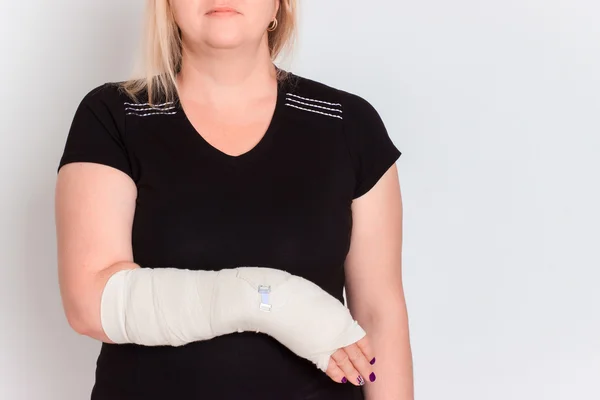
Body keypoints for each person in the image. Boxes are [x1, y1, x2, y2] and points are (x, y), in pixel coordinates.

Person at [54, 0, 413, 399]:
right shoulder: (114, 116)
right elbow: (91, 304)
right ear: (168, 6)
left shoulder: (348, 125)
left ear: (280, 6)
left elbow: (380, 315)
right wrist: (270, 300)